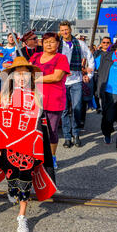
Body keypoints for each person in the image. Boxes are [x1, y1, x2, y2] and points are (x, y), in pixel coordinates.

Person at [0, 56, 57, 232]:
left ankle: (22, 217)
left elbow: (40, 126)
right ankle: (12, 188)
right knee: (11, 177)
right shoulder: (4, 96)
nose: (22, 78)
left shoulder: (37, 96)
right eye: (18, 74)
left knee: (25, 181)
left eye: (26, 74)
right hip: (7, 145)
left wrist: (37, 147)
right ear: (12, 77)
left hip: (27, 147)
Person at [30, 32, 70, 168]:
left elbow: (56, 76)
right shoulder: (35, 56)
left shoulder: (61, 58)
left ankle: (51, 157)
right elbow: (28, 71)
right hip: (35, 100)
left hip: (53, 100)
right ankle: (36, 156)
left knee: (51, 131)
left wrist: (37, 79)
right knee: (34, 131)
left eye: (52, 41)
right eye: (46, 41)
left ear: (58, 44)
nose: (48, 44)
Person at [58, 20, 94, 148]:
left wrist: (89, 75)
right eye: (62, 30)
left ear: (70, 30)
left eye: (66, 29)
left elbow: (90, 58)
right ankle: (67, 137)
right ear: (60, 31)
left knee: (77, 108)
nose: (64, 32)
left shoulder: (79, 43)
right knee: (63, 111)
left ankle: (76, 133)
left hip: (76, 81)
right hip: (61, 81)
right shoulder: (57, 45)